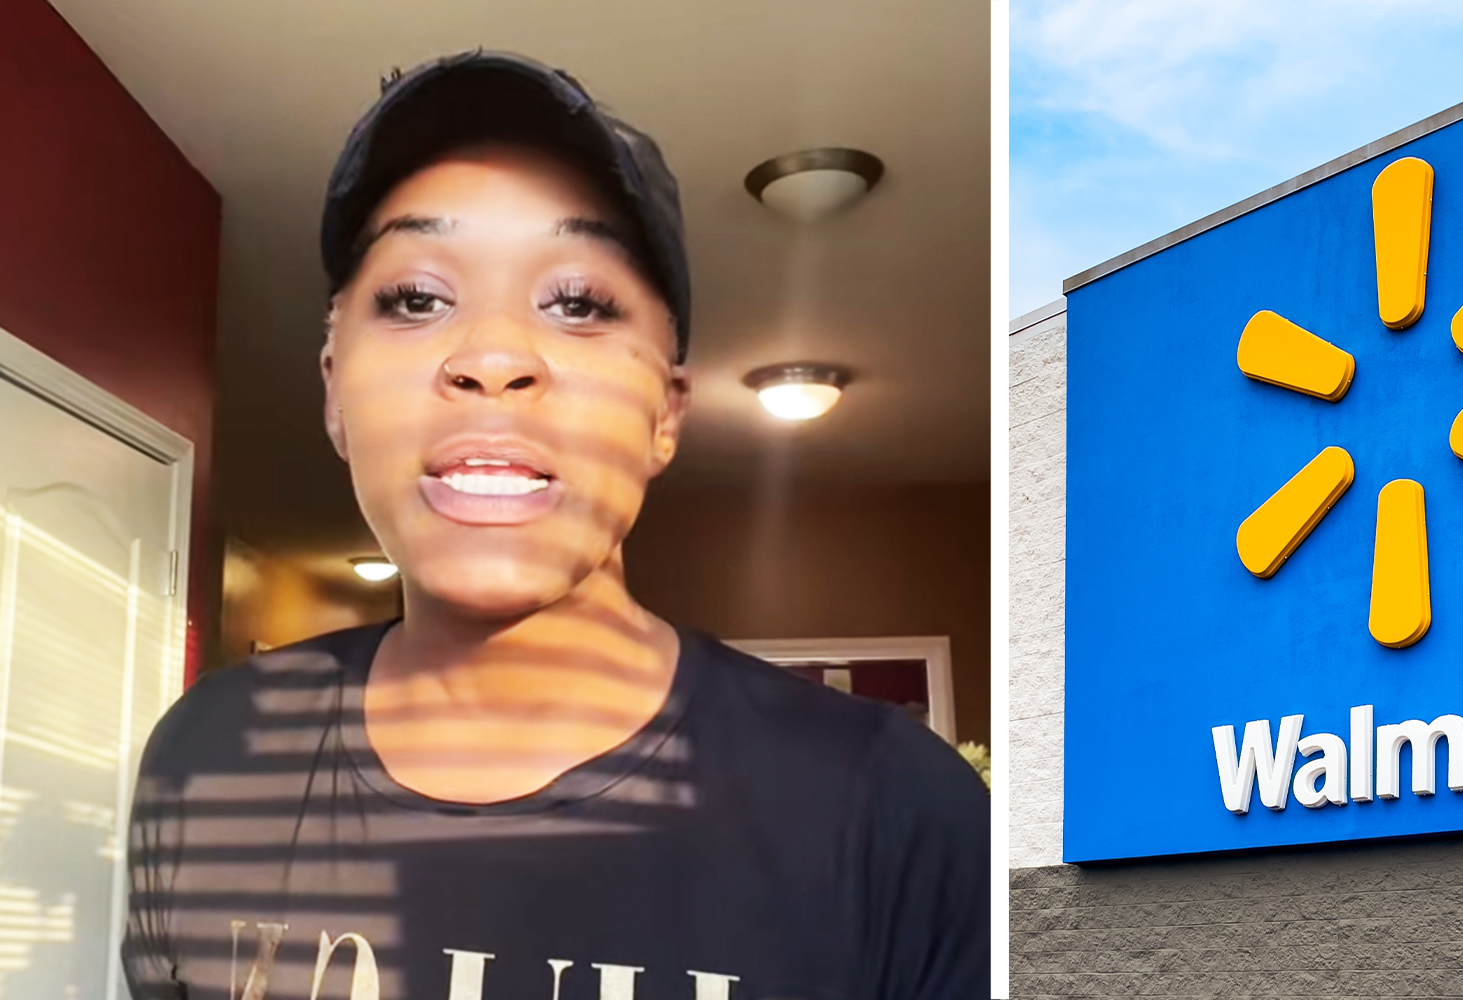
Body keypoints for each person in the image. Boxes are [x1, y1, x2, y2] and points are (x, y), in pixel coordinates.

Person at [120, 52, 989, 1000]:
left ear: (666, 411)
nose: (492, 356)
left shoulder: (892, 807)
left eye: (576, 303)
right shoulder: (209, 758)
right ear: (334, 389)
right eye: (418, 298)